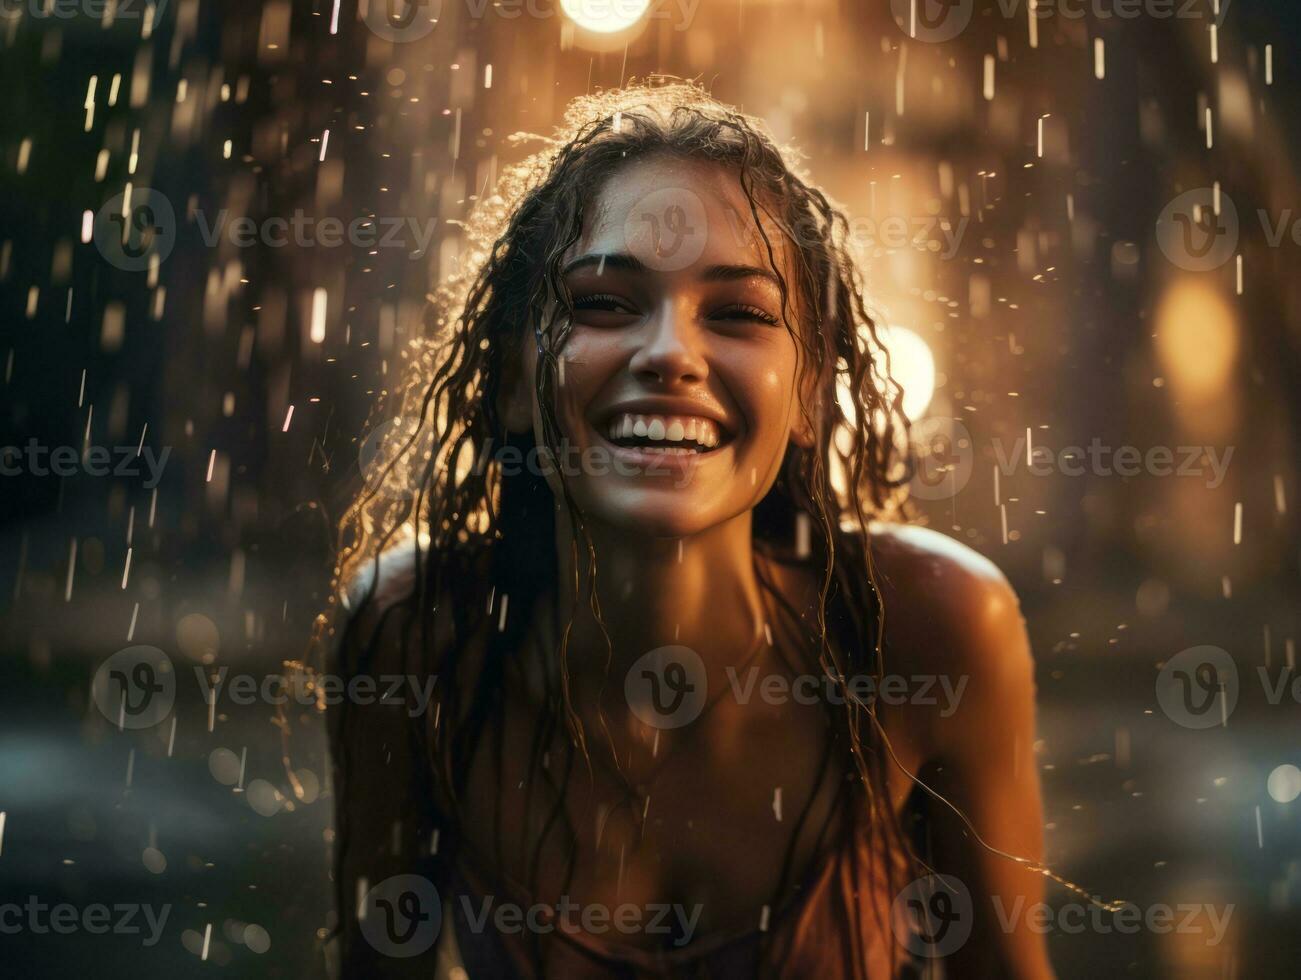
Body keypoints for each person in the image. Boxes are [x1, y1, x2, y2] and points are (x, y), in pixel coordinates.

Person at [326, 80, 1054, 979]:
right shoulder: (417, 635)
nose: (670, 351)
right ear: (513, 382)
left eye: (739, 314)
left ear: (809, 396)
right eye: (602, 303)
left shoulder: (924, 630)